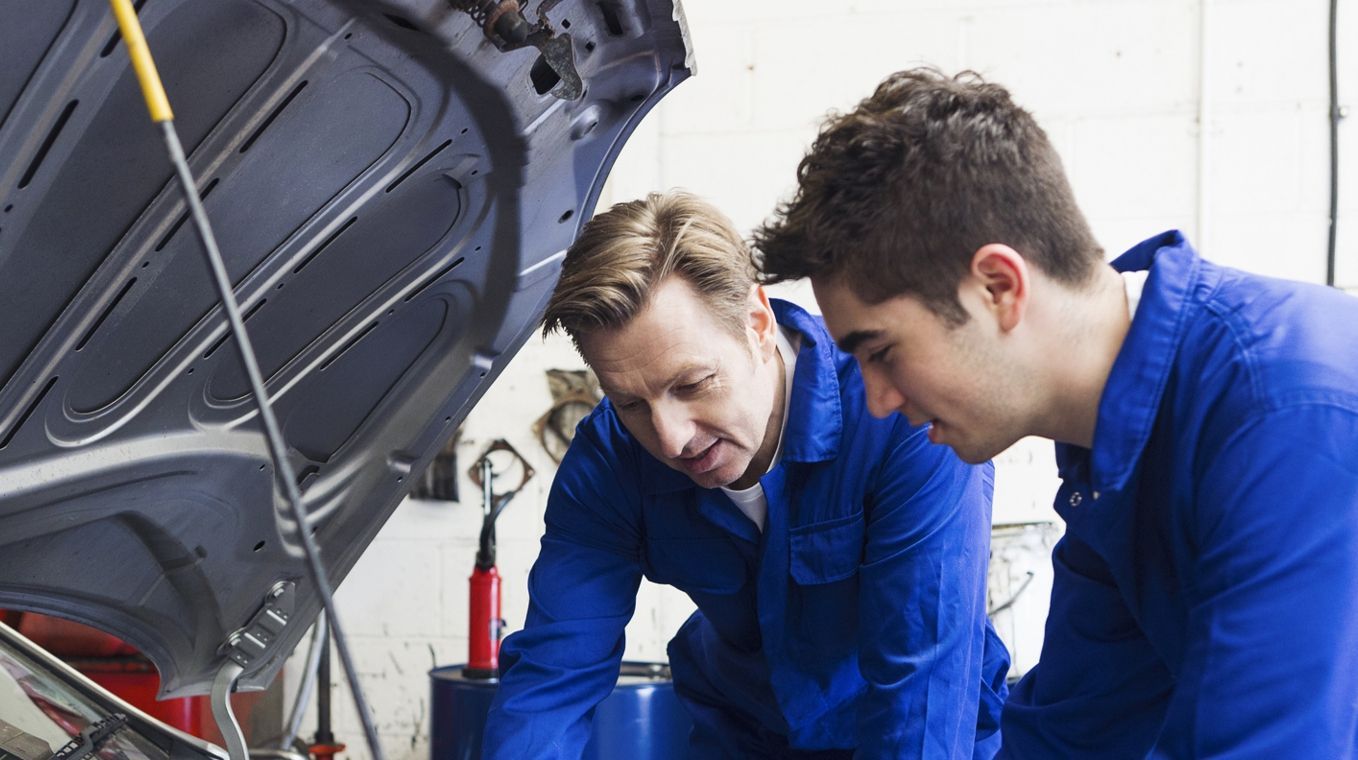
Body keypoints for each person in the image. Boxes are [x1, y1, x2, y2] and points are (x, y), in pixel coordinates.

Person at [754, 67, 1358, 758]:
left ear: (999, 286)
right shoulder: (1117, 458)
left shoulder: (1283, 412)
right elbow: (1074, 730)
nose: (879, 400)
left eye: (881, 351)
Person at [483, 190, 1010, 758]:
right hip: (745, 733)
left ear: (757, 323)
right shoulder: (610, 462)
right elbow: (552, 678)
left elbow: (922, 698)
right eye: (632, 403)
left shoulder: (900, 421)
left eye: (691, 384)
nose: (671, 437)